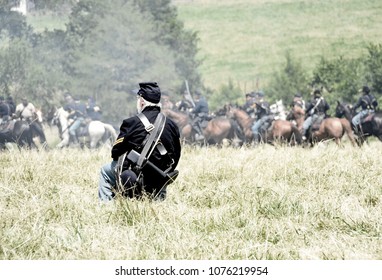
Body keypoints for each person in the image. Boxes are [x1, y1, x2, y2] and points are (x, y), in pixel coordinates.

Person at [98, 82, 181, 201]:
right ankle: (158, 200)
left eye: (138, 99)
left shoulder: (131, 122)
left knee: (105, 171)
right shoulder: (172, 125)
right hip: (160, 178)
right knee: (161, 174)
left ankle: (106, 208)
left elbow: (115, 152)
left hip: (135, 176)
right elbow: (176, 155)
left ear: (142, 101)